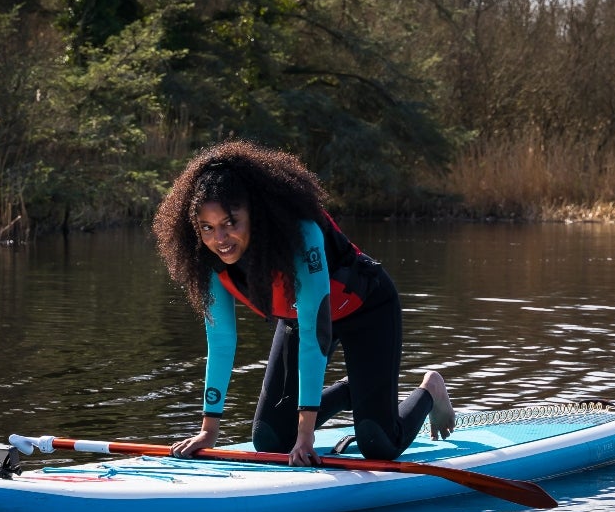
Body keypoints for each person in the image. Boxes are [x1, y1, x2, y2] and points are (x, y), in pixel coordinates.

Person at [152, 140, 455, 466]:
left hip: (367, 309)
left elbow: (314, 333)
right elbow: (221, 341)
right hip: (300, 319)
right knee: (270, 439)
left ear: (254, 212)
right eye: (208, 228)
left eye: (230, 223)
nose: (220, 239)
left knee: (379, 444)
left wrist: (306, 436)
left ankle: (431, 389)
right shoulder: (209, 260)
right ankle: (355, 390)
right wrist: (208, 431)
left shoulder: (301, 234)